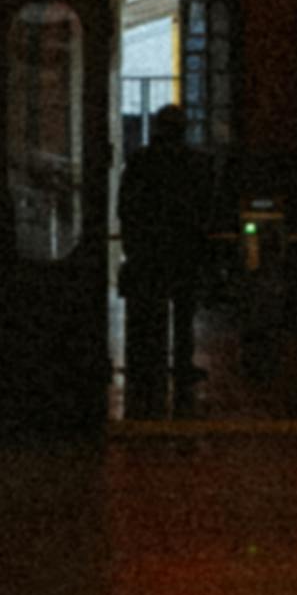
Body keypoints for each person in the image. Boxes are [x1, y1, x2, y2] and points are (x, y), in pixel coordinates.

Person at [117, 101, 214, 423]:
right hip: (185, 247)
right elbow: (205, 207)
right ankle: (182, 365)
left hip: (149, 248)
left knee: (151, 311)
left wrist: (133, 242)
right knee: (185, 312)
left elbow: (126, 205)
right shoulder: (197, 162)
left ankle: (151, 368)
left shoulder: (141, 160)